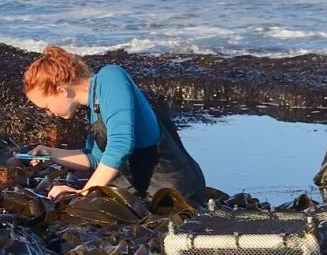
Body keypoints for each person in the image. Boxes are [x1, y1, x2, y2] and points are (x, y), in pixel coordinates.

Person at [22, 45, 206, 204]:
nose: (48, 113)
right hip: (142, 193)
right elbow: (96, 159)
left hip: (175, 193)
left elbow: (120, 147)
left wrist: (83, 194)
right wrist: (51, 153)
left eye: (46, 106)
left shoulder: (110, 77)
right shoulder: (93, 107)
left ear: (61, 91)